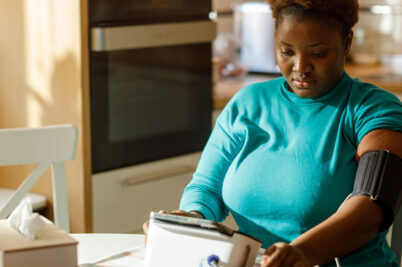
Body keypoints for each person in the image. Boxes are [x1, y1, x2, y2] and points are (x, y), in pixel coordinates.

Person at [143, 0, 402, 266]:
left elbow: (374, 203)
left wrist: (302, 252)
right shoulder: (248, 104)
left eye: (319, 53)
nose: (300, 66)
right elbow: (208, 188)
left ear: (346, 43)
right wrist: (191, 217)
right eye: (286, 51)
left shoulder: (374, 110)